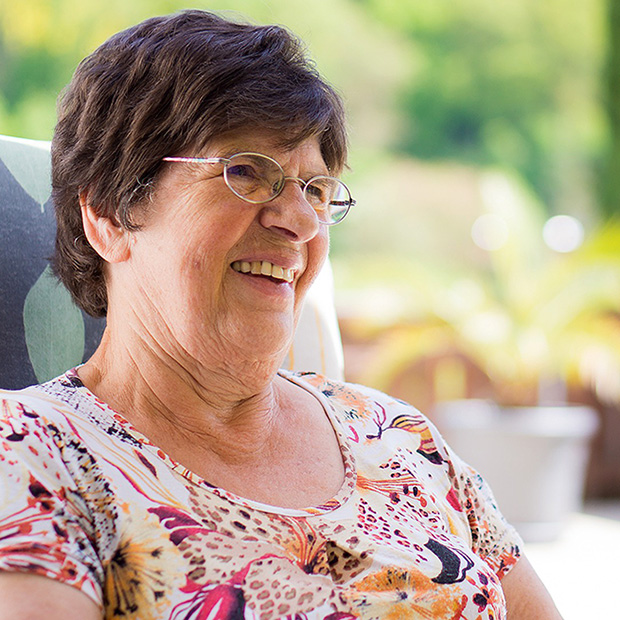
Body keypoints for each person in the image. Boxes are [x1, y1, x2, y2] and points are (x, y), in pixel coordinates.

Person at [0, 10, 562, 620]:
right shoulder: (34, 457)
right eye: (246, 172)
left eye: (316, 190)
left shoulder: (400, 437)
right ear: (109, 215)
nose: (300, 222)